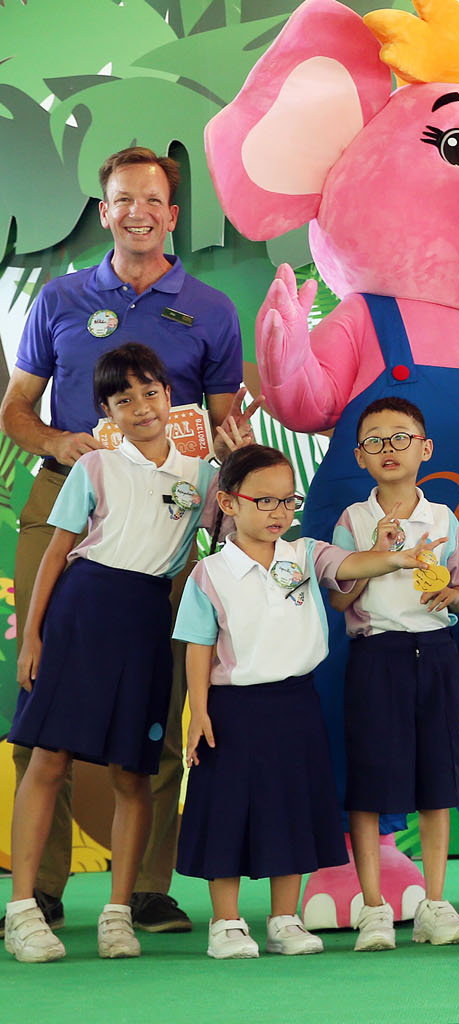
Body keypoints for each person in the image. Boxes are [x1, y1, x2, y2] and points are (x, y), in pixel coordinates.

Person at [1, 146, 248, 936]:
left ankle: (144, 889)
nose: (136, 210)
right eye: (120, 199)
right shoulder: (63, 298)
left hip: (168, 522)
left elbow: (223, 424)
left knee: (165, 686)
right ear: (103, 211)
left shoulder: (209, 309)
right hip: (65, 502)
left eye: (151, 198)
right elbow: (17, 409)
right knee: (42, 696)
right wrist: (57, 444)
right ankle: (34, 890)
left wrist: (232, 460)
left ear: (172, 215)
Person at [172, 445, 443, 960]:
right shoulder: (209, 575)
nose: (279, 513)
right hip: (231, 710)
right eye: (265, 501)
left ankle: (284, 920)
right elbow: (197, 647)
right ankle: (227, 924)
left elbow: (353, 562)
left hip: (296, 702)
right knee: (228, 811)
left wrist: (398, 558)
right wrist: (199, 712)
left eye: (287, 501)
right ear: (230, 504)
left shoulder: (304, 554)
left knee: (289, 810)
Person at [5, 345, 224, 962]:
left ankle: (118, 914)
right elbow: (55, 554)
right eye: (124, 399)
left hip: (151, 620)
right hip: (83, 611)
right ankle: (24, 912)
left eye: (150, 392)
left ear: (169, 394)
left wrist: (233, 457)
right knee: (49, 757)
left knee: (136, 771)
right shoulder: (94, 468)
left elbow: (229, 533)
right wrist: (35, 636)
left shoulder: (202, 475)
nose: (141, 407)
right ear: (108, 411)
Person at [329, 397, 459, 951]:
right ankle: (373, 910)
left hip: (436, 654)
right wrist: (375, 553)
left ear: (425, 449)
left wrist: (452, 595)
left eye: (400, 437)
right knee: (369, 786)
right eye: (375, 441)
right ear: (360, 456)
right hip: (377, 656)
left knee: (438, 783)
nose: (388, 449)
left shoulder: (442, 519)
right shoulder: (353, 519)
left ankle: (434, 905)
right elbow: (341, 595)